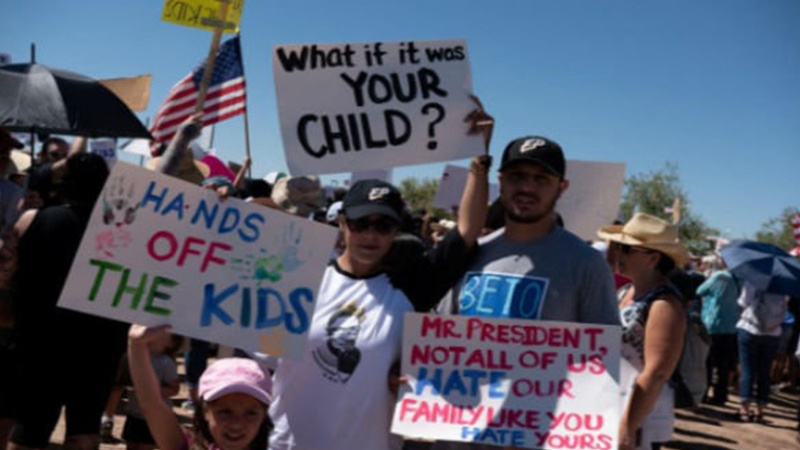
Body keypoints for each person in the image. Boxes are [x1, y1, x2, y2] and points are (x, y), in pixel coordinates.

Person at [268, 102, 493, 450]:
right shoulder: (302, 280)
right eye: (361, 223)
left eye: (384, 225)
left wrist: (479, 159)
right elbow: (260, 356)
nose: (371, 235)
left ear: (396, 230)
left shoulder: (409, 287)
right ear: (342, 223)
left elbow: (466, 231)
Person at [431, 136, 619, 450]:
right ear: (501, 181)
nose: (527, 188)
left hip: (538, 438)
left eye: (541, 179)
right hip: (457, 435)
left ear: (562, 188)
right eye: (517, 176)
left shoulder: (586, 264)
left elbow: (601, 363)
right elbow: (438, 339)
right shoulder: (470, 254)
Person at [6, 153, 129, 450]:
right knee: (84, 430)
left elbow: (7, 272)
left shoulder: (33, 219)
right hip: (99, 346)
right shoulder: (125, 232)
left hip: (40, 341)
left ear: (64, 184)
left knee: (29, 428)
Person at [598, 213, 689, 450]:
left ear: (653, 258)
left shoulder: (664, 303)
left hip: (638, 415)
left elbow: (657, 372)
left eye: (626, 248)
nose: (618, 253)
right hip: (612, 404)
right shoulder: (626, 291)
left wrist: (627, 427)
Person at [128, 324, 273, 450]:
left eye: (251, 413)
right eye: (225, 412)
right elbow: (151, 404)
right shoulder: (188, 446)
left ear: (264, 415)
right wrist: (137, 345)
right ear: (205, 411)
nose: (236, 424)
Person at [735, 281, 787, 423]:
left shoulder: (752, 281)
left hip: (750, 328)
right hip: (773, 333)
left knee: (747, 370)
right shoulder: (784, 285)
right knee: (765, 372)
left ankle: (745, 410)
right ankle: (760, 411)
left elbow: (743, 302)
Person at [697, 262, 741, 405]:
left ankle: (703, 393)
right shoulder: (741, 280)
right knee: (724, 364)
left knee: (708, 361)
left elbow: (700, 291)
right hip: (732, 326)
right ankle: (720, 396)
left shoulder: (719, 276)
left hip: (713, 323)